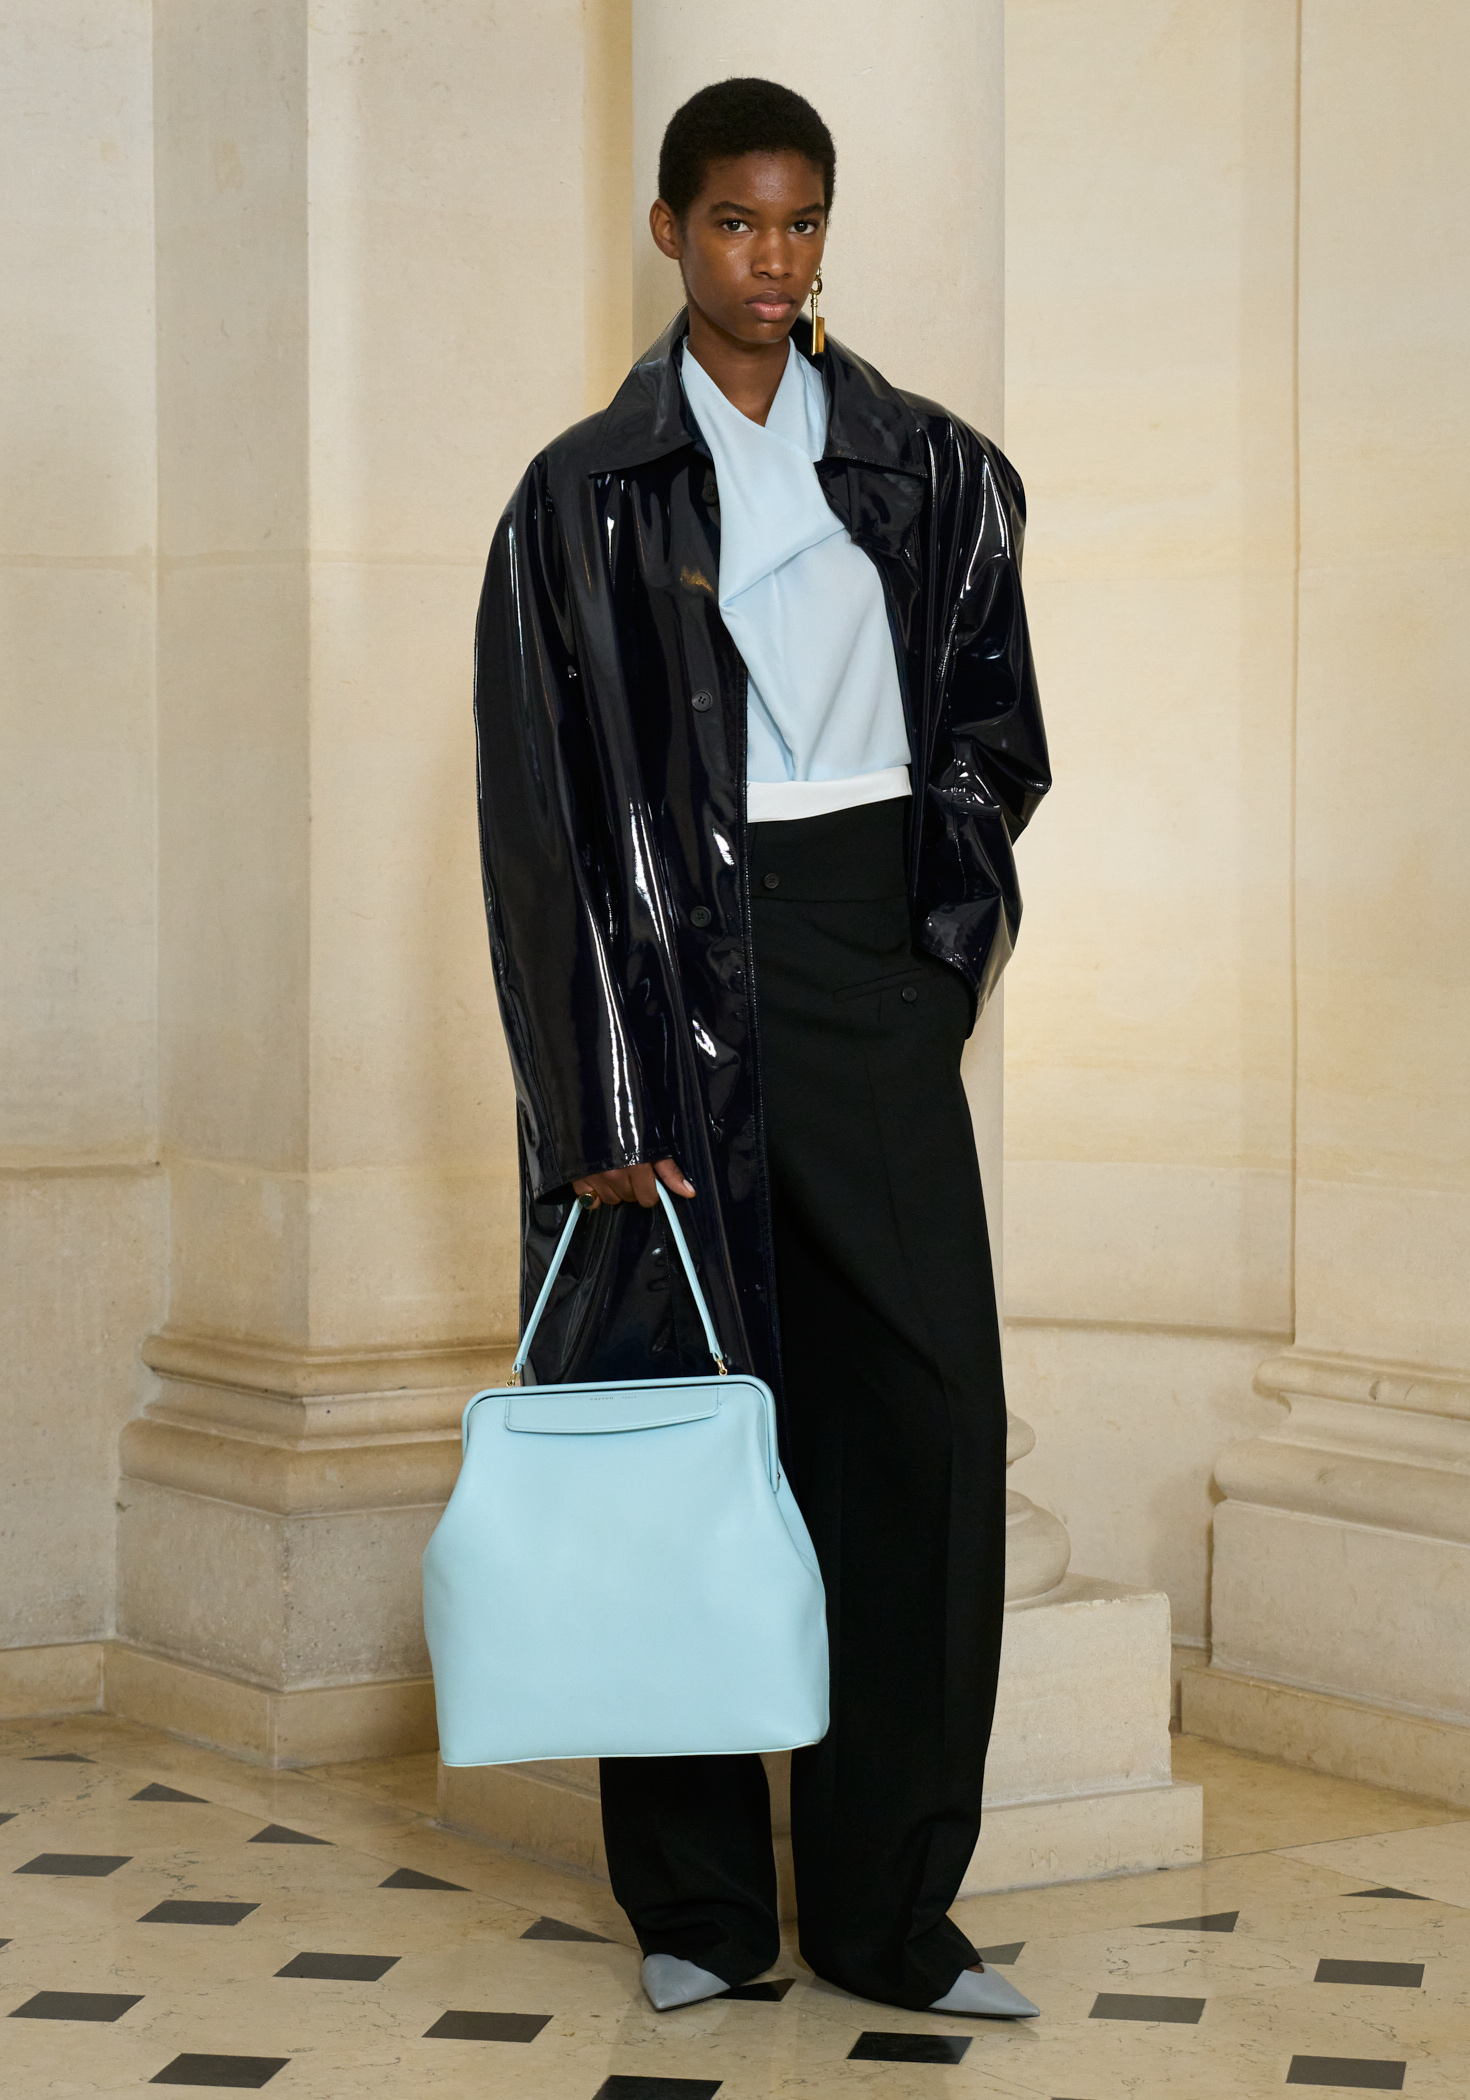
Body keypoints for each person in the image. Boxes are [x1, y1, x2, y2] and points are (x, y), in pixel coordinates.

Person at [473, 77, 1050, 2019]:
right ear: (671, 233)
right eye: (735, 223)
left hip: (866, 962)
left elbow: (992, 739)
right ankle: (704, 1912)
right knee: (690, 1445)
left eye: (800, 225)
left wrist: (935, 962)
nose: (771, 260)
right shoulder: (581, 499)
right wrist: (601, 1098)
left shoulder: (937, 472)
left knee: (922, 1429)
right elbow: (541, 822)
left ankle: (895, 1913)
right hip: (670, 985)